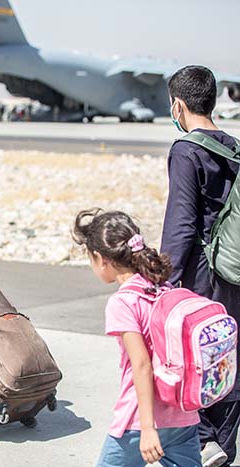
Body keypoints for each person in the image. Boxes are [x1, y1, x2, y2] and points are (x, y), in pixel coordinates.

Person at [72, 209, 202, 467]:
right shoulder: (162, 288)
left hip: (139, 421)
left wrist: (147, 428)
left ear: (100, 258)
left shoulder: (123, 302)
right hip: (183, 415)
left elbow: (141, 365)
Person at [160, 65, 240, 467]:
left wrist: (164, 280)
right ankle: (225, 443)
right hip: (235, 272)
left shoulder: (186, 150)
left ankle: (205, 445)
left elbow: (181, 222)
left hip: (202, 276)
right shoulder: (234, 147)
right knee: (228, 354)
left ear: (178, 104)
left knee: (198, 357)